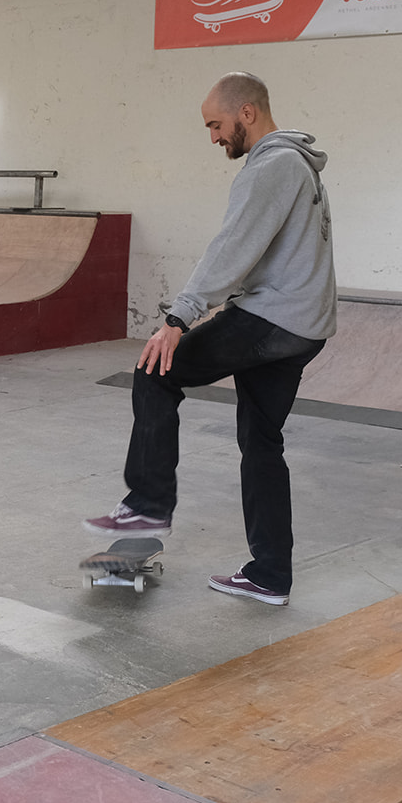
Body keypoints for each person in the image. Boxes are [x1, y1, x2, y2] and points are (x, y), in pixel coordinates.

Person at [84, 72, 337, 606]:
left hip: (272, 318)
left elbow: (232, 248)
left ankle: (148, 506)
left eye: (216, 125)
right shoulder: (299, 166)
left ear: (247, 112)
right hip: (304, 325)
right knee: (262, 444)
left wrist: (178, 319)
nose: (215, 137)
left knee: (156, 371)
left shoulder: (272, 166)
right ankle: (270, 575)